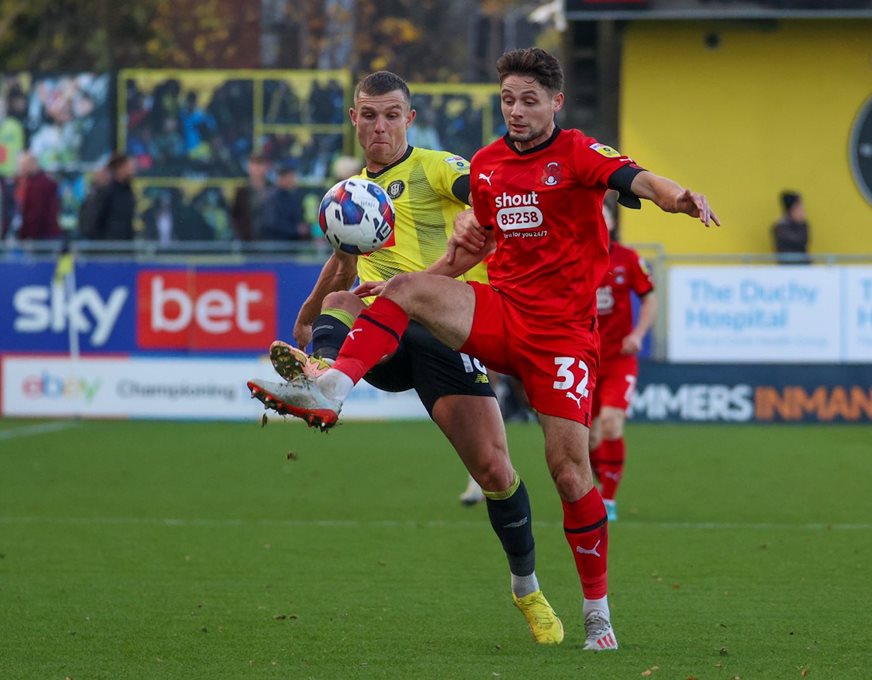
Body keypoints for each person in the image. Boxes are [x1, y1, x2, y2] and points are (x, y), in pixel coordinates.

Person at [247, 48, 719, 651]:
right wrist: (415, 284)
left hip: (564, 338)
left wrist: (678, 198)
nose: (516, 111)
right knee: (405, 287)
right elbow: (472, 251)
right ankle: (331, 387)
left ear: (555, 103)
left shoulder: (574, 152)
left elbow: (637, 178)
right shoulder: (491, 165)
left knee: (568, 473)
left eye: (529, 100)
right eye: (507, 100)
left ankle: (594, 610)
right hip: (501, 314)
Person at [247, 71, 563, 646]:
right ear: (353, 119)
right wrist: (309, 317)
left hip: (444, 334)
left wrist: (475, 215)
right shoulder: (347, 196)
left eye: (392, 114)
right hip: (379, 334)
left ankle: (528, 589)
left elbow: (488, 198)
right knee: (344, 300)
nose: (380, 126)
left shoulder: (438, 167)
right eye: (369, 115)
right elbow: (345, 264)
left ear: (409, 119)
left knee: (494, 471)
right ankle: (321, 383)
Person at [589, 206, 656, 523]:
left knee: (613, 424)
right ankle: (596, 481)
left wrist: (639, 334)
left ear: (614, 222)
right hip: (584, 358)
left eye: (605, 215)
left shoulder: (628, 259)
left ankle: (609, 500)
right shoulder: (576, 255)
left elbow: (649, 298)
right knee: (589, 439)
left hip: (619, 360)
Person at [84, 152, 136, 240]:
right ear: (119, 168)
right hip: (108, 248)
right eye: (128, 167)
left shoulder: (128, 190)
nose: (132, 170)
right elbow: (92, 221)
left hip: (124, 247)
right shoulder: (107, 191)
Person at [14, 152, 62, 241]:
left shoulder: (44, 184)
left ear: (33, 163)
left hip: (43, 235)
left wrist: (26, 234)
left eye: (24, 165)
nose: (21, 169)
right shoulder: (24, 182)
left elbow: (36, 213)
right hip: (34, 234)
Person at [231, 153, 271, 241]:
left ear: (266, 167)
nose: (256, 168)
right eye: (253, 164)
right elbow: (236, 216)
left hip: (270, 241)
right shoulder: (242, 192)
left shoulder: (274, 189)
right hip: (248, 241)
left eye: (259, 164)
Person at [261, 166, 307, 241]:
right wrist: (296, 229)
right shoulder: (272, 198)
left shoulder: (292, 196)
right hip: (276, 245)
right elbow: (272, 223)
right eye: (290, 177)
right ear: (282, 178)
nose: (293, 180)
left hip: (291, 245)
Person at [772, 191, 810, 264]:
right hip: (789, 268)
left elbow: (805, 240)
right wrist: (801, 224)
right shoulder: (781, 227)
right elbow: (800, 240)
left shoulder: (802, 224)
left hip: (803, 267)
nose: (802, 211)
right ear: (792, 209)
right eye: (799, 208)